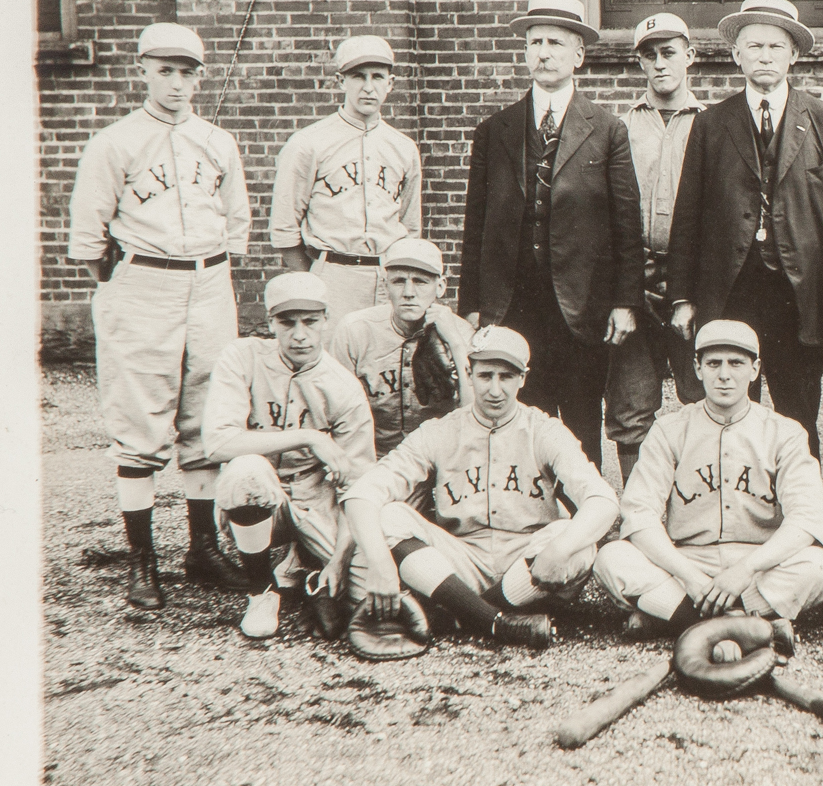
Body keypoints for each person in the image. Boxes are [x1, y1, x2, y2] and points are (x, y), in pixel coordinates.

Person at [66, 21, 251, 609]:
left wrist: (208, 270)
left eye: (187, 72)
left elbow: (237, 222)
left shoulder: (218, 141)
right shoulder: (114, 142)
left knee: (207, 410)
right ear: (142, 70)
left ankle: (201, 548)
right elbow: (89, 242)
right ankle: (142, 560)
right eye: (164, 70)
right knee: (140, 418)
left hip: (210, 281)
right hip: (143, 283)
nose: (176, 83)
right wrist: (127, 280)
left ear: (201, 76)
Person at [667, 0, 823, 457]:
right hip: (732, 290)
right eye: (754, 45)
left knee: (799, 413)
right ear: (736, 54)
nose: (765, 56)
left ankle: (804, 512)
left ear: (794, 54)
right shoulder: (712, 123)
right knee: (732, 412)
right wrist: (682, 296)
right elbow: (687, 216)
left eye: (776, 47)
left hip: (797, 293)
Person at [341, 325, 621, 652]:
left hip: (527, 561)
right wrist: (381, 566)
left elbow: (603, 501)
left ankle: (456, 614)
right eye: (486, 375)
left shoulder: (544, 430)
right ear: (469, 374)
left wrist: (558, 551)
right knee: (390, 515)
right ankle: (494, 621)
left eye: (506, 376)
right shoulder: (439, 432)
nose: (495, 389)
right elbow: (362, 494)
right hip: (462, 560)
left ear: (523, 379)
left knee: (576, 541)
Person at [458, 0, 644, 473]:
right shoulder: (495, 130)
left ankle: (589, 517)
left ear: (578, 55)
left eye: (556, 43)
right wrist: (473, 305)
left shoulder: (606, 130)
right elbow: (475, 224)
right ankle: (530, 515)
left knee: (581, 417)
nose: (543, 52)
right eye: (535, 41)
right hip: (514, 301)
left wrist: (625, 302)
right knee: (523, 416)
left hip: (581, 304)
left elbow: (627, 223)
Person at [593, 320, 823, 641]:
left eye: (736, 363)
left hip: (759, 562)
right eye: (713, 363)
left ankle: (678, 618)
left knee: (818, 568)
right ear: (697, 367)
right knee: (611, 559)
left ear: (755, 369)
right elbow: (639, 515)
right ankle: (754, 622)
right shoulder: (670, 430)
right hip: (689, 560)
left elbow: (807, 520)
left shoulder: (785, 432)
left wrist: (746, 570)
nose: (724, 374)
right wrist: (689, 576)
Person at [200, 272, 379, 644]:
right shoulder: (243, 357)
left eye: (310, 321)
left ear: (326, 320)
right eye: (287, 322)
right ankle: (262, 592)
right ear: (270, 322)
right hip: (258, 497)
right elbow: (216, 443)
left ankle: (301, 565)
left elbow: (358, 485)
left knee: (362, 583)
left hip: (316, 500)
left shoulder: (344, 387)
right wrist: (309, 436)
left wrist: (338, 561)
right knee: (247, 470)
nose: (300, 334)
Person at [604, 11, 706, 482]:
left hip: (696, 282)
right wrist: (628, 282)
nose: (660, 64)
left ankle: (700, 504)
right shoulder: (618, 128)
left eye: (669, 53)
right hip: (635, 281)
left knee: (704, 397)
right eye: (649, 55)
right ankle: (638, 509)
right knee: (631, 404)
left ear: (691, 56)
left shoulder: (715, 126)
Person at [268, 34, 422, 323]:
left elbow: (410, 228)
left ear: (390, 83)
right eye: (357, 76)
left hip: (388, 276)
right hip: (334, 273)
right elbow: (284, 229)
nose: (368, 87)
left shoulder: (403, 147)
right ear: (341, 81)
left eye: (377, 77)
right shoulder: (308, 142)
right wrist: (313, 280)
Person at [329, 237, 475, 457]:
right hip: (374, 457)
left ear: (441, 286)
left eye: (420, 281)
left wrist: (455, 343)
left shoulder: (461, 333)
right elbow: (336, 413)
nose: (408, 292)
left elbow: (475, 418)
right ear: (385, 285)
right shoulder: (355, 330)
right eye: (398, 281)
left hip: (438, 457)